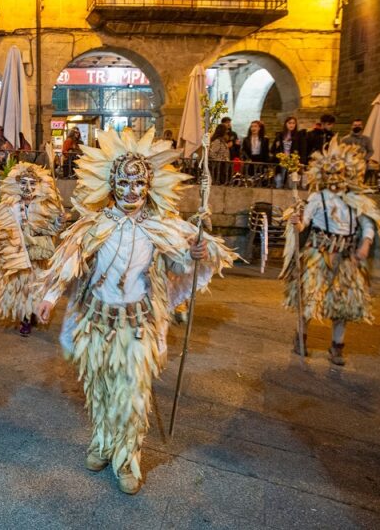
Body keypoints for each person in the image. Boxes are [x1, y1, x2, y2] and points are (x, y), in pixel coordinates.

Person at [35, 128, 236, 494]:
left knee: (132, 395)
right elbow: (68, 261)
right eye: (124, 184)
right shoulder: (95, 224)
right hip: (96, 321)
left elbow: (178, 268)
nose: (131, 192)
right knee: (100, 389)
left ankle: (127, 460)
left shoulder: (161, 226)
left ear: (149, 186)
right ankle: (102, 442)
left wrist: (193, 256)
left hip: (138, 325)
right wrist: (48, 297)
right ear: (112, 184)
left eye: (139, 184)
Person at [283, 137, 380, 366]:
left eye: (337, 172)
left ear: (347, 173)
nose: (333, 178)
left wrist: (365, 244)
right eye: (329, 173)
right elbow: (304, 223)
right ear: (322, 175)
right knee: (310, 299)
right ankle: (301, 338)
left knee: (343, 303)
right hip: (318, 254)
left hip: (346, 257)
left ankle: (337, 347)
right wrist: (296, 222)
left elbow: (368, 226)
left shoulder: (356, 201)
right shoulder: (317, 198)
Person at [0, 162, 64, 336]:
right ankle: (25, 318)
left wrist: (58, 222)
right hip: (17, 255)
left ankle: (34, 311)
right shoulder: (8, 207)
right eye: (23, 183)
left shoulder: (46, 206)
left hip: (37, 255)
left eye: (32, 183)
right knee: (22, 289)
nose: (28, 187)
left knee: (36, 286)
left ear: (39, 185)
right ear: (16, 185)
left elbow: (52, 230)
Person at [271, 116, 308, 188]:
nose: (291, 125)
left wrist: (302, 162)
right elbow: (273, 150)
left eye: (293, 123)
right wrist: (277, 148)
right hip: (281, 162)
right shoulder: (280, 135)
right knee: (279, 181)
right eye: (289, 123)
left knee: (291, 183)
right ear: (285, 124)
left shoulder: (299, 136)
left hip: (293, 163)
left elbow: (303, 150)